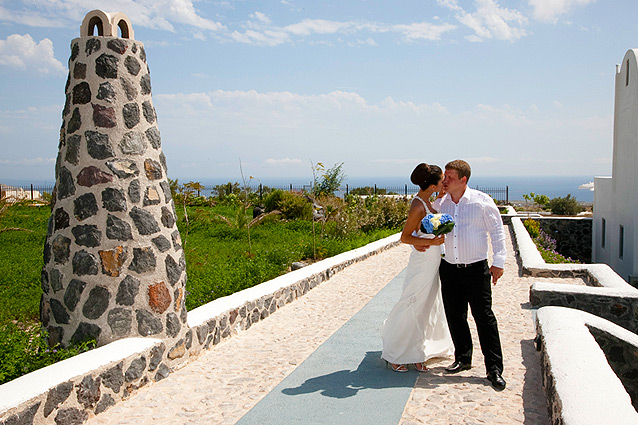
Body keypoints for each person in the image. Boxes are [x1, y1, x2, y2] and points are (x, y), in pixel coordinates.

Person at [433, 159, 507, 390]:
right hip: (449, 269)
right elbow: (428, 221)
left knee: (484, 318)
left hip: (476, 269)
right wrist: (438, 195)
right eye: (444, 177)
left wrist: (499, 262)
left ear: (463, 180)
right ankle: (463, 358)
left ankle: (494, 368)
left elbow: (497, 232)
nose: (444, 181)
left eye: (449, 178)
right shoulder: (441, 203)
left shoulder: (481, 202)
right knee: (455, 316)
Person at [380, 163, 454, 373]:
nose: (444, 182)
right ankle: (396, 352)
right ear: (432, 185)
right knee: (412, 303)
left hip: (433, 261)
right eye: (441, 180)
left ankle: (418, 351)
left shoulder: (430, 201)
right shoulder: (418, 206)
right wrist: (431, 243)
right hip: (422, 263)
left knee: (427, 305)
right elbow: (404, 237)